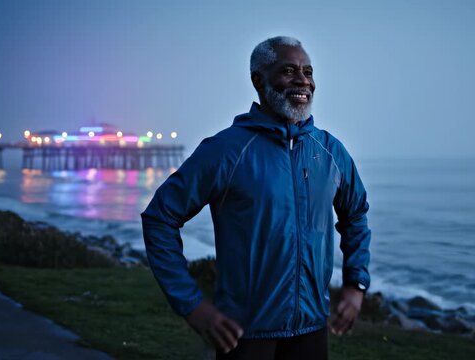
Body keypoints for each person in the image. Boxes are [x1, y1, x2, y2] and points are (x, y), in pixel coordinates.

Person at [141, 36, 371, 360]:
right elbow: (159, 218)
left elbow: (356, 214)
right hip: (243, 335)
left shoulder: (331, 152)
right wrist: (193, 307)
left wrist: (355, 284)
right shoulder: (226, 151)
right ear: (258, 80)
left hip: (311, 330)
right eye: (289, 70)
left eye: (308, 71)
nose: (303, 79)